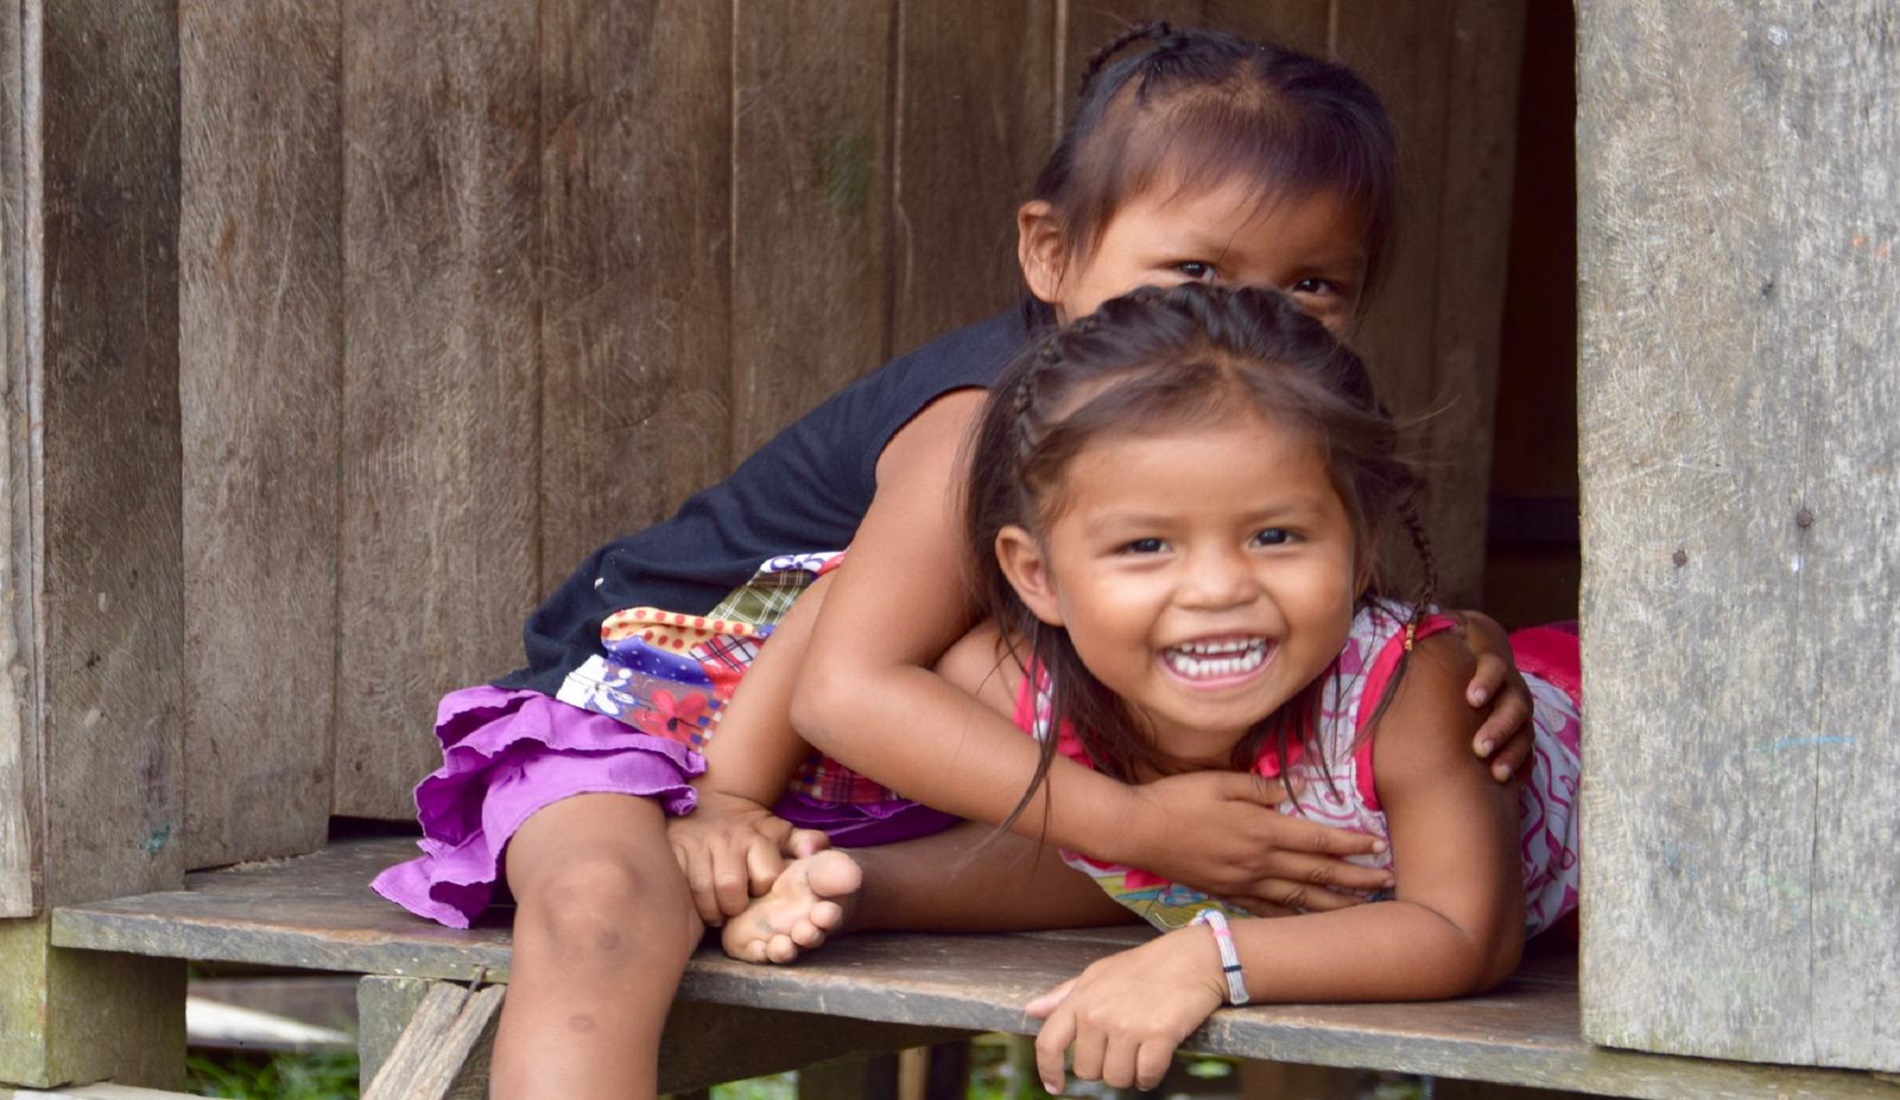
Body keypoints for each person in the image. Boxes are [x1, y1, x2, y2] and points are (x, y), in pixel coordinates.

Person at [370, 23, 1540, 1100]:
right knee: (608, 906)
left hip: (883, 774)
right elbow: (843, 674)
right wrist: (1136, 828)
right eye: (1191, 272)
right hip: (670, 720)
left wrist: (1454, 642)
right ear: (1050, 252)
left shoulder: (1280, 417)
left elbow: (1289, 614)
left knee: (1221, 842)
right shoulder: (983, 424)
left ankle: (826, 882)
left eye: (1311, 285)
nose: (1237, 319)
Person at [721, 283, 1582, 1097]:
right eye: (1145, 547)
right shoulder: (1010, 677)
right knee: (1092, 829)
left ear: (1358, 543)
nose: (1215, 590)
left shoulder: (1409, 692)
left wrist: (1206, 963)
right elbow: (841, 608)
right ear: (1038, 576)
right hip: (1243, 874)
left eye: (1275, 535)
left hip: (1617, 819)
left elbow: (1464, 932)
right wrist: (726, 797)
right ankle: (859, 891)